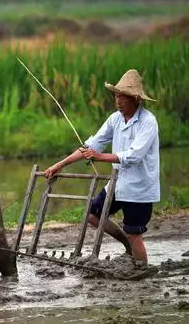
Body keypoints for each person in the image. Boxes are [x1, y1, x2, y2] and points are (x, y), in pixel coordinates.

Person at [43, 69, 160, 265]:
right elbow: (91, 146)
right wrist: (60, 164)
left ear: (135, 99)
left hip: (140, 187)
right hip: (118, 184)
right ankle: (127, 245)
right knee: (92, 215)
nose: (117, 100)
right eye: (116, 95)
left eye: (122, 96)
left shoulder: (148, 122)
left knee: (134, 233)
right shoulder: (115, 119)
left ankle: (142, 271)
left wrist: (99, 156)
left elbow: (133, 156)